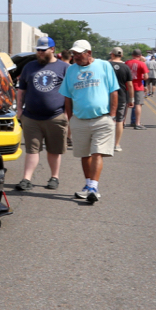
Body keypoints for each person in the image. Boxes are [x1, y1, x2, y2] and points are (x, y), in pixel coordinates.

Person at [59, 39, 119, 205]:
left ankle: (93, 187)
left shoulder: (104, 66)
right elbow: (67, 96)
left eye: (79, 54)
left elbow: (114, 91)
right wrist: (71, 118)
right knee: (84, 154)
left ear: (89, 53)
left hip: (102, 118)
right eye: (74, 54)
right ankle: (88, 185)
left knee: (97, 152)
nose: (76, 57)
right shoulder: (71, 70)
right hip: (79, 119)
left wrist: (112, 115)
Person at [14, 37, 69, 192]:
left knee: (54, 150)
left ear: (52, 49)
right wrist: (19, 110)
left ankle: (54, 177)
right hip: (31, 116)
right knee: (32, 150)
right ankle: (26, 179)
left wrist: (66, 113)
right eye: (38, 50)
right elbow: (21, 90)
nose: (40, 52)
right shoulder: (29, 67)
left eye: (43, 50)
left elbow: (69, 93)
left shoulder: (64, 67)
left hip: (55, 116)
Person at [108, 47, 134, 152]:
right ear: (121, 55)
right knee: (119, 120)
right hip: (121, 96)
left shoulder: (107, 66)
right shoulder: (126, 67)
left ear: (112, 54)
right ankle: (117, 144)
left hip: (107, 96)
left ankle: (106, 143)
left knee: (106, 119)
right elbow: (130, 85)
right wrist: (131, 99)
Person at [127, 48, 149, 129]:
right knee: (138, 104)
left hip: (128, 86)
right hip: (138, 86)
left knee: (126, 104)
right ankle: (137, 123)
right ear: (140, 56)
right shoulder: (142, 64)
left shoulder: (127, 63)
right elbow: (146, 77)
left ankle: (122, 122)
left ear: (132, 55)